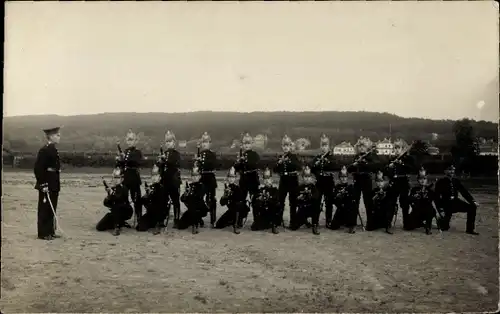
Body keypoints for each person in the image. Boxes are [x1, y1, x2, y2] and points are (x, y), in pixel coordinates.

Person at [34, 126, 62, 240]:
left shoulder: (53, 149)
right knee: (45, 208)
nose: (59, 137)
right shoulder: (44, 150)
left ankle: (50, 231)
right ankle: (43, 233)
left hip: (54, 181)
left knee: (52, 207)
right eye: (57, 135)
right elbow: (38, 168)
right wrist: (43, 183)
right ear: (51, 136)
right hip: (47, 182)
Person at [434, 164, 479, 235]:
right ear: (445, 171)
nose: (452, 171)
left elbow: (464, 192)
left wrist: (473, 201)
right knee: (444, 227)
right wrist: (440, 209)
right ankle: (441, 221)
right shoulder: (440, 182)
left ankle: (470, 229)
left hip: (455, 202)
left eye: (453, 170)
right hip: (446, 204)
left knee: (472, 208)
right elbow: (436, 197)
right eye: (449, 170)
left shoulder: (456, 181)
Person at [115, 129, 144, 225]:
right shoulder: (125, 151)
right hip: (125, 178)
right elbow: (121, 165)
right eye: (128, 139)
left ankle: (139, 219)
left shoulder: (137, 152)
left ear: (135, 141)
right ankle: (122, 219)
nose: (130, 141)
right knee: (123, 199)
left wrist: (125, 159)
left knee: (136, 200)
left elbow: (136, 162)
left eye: (131, 139)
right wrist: (119, 160)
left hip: (134, 179)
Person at [347, 137, 377, 227]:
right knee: (354, 201)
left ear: (367, 147)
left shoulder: (370, 156)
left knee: (368, 202)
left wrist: (365, 163)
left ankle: (370, 223)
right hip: (357, 180)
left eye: (363, 146)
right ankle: (353, 223)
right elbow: (349, 169)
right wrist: (354, 164)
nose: (361, 148)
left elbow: (374, 167)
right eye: (360, 146)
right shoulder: (356, 157)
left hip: (366, 180)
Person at [274, 134, 302, 227]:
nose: (286, 147)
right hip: (283, 181)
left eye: (287, 145)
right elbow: (275, 170)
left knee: (293, 202)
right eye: (284, 146)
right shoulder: (280, 157)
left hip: (293, 181)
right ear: (282, 147)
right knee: (280, 201)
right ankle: (278, 220)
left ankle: (293, 222)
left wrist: (289, 161)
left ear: (290, 146)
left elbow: (299, 167)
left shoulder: (294, 156)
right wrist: (279, 163)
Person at [96, 167, 133, 236]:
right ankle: (121, 223)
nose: (116, 180)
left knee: (117, 207)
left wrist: (111, 193)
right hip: (115, 213)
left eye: (118, 178)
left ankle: (117, 227)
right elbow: (106, 203)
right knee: (99, 227)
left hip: (125, 211)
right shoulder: (113, 188)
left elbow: (118, 198)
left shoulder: (124, 188)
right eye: (114, 178)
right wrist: (108, 195)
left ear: (122, 179)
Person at [156, 130, 182, 228]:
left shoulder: (176, 153)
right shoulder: (164, 153)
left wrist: (164, 160)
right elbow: (160, 166)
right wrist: (159, 162)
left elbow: (173, 163)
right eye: (167, 141)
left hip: (174, 181)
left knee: (175, 201)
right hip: (165, 180)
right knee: (163, 200)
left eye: (170, 141)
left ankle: (176, 219)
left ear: (174, 143)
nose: (168, 143)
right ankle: (162, 219)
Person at [311, 134, 336, 228]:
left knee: (329, 203)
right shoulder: (317, 157)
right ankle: (315, 222)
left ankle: (328, 221)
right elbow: (312, 168)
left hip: (328, 182)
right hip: (319, 182)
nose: (324, 148)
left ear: (328, 146)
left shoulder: (331, 157)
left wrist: (327, 162)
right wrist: (316, 164)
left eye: (325, 145)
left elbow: (336, 166)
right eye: (322, 145)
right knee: (317, 202)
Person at [384, 151, 414, 230]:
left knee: (405, 204)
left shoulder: (407, 159)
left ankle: (406, 224)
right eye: (395, 148)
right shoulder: (392, 159)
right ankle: (388, 223)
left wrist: (402, 163)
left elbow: (412, 168)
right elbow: (386, 172)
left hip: (403, 183)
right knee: (391, 203)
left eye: (399, 148)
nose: (397, 150)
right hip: (394, 184)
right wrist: (389, 167)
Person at [215, 167, 250, 234]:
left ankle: (236, 225)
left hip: (240, 210)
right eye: (230, 177)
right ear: (227, 178)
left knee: (237, 206)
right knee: (219, 225)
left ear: (235, 178)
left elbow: (240, 200)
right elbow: (222, 203)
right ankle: (232, 221)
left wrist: (231, 195)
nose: (231, 179)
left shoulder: (238, 188)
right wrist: (225, 196)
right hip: (232, 210)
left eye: (232, 177)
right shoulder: (227, 188)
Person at [194, 132, 218, 228]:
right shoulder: (199, 153)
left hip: (210, 177)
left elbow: (213, 164)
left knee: (211, 199)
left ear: (210, 143)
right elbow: (196, 167)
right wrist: (196, 162)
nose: (204, 144)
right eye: (203, 142)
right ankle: (199, 218)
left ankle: (213, 220)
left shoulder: (212, 154)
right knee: (198, 198)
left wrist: (202, 161)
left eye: (206, 142)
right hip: (201, 178)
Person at [290, 165, 321, 235]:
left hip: (311, 209)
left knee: (317, 206)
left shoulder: (313, 187)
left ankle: (314, 225)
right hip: (303, 209)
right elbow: (294, 200)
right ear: (303, 177)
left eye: (308, 176)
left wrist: (310, 195)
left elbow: (316, 196)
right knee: (293, 227)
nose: (307, 179)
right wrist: (298, 198)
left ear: (311, 178)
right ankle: (304, 221)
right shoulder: (299, 187)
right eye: (305, 177)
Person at [178, 166, 209, 234]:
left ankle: (195, 224)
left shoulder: (202, 186)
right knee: (180, 225)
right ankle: (198, 220)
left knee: (194, 205)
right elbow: (182, 199)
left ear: (200, 176)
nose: (194, 177)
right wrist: (186, 193)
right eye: (193, 175)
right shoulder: (190, 186)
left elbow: (199, 196)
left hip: (200, 209)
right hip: (191, 210)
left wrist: (190, 193)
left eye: (196, 175)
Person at [234, 132, 261, 210]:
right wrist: (238, 162)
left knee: (255, 200)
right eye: (245, 144)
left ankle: (256, 219)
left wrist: (244, 160)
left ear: (252, 144)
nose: (246, 145)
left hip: (252, 179)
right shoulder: (241, 155)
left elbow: (253, 164)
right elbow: (237, 168)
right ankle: (240, 220)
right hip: (243, 180)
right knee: (241, 199)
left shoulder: (255, 154)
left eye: (248, 143)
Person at [251, 167, 281, 234]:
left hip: (272, 214)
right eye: (265, 178)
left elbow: (277, 201)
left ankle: (274, 225)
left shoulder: (275, 190)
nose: (267, 180)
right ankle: (257, 221)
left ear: (272, 180)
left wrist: (269, 198)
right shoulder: (260, 190)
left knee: (276, 205)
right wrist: (259, 199)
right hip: (263, 215)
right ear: (263, 180)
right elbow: (254, 203)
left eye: (268, 178)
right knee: (254, 228)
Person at [406, 167, 436, 235]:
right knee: (408, 227)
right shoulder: (414, 189)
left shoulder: (429, 190)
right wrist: (414, 197)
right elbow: (409, 199)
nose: (422, 181)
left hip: (427, 211)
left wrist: (426, 196)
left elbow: (433, 200)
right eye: (420, 179)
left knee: (430, 210)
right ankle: (421, 222)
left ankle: (428, 226)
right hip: (417, 211)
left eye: (424, 179)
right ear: (418, 180)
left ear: (427, 180)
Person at [330, 166, 358, 234]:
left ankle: (352, 225)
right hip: (341, 208)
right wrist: (340, 195)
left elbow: (354, 198)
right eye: (342, 177)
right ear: (339, 178)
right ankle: (344, 221)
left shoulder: (351, 187)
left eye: (345, 177)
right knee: (333, 227)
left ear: (347, 178)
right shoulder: (337, 187)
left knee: (353, 206)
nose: (343, 179)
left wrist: (346, 193)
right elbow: (334, 199)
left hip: (348, 209)